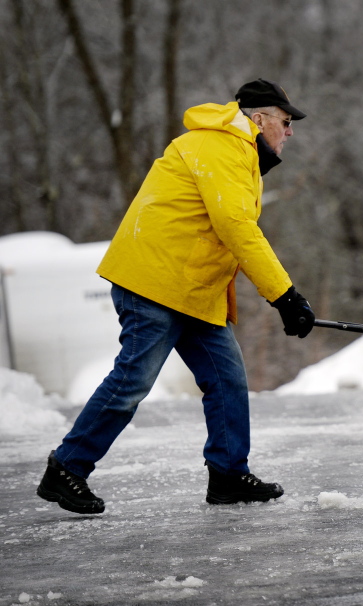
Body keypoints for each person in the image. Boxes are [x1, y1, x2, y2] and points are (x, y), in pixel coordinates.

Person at [35, 78, 316, 515]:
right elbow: (236, 228)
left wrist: (283, 298)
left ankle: (227, 474)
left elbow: (221, 231)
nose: (290, 131)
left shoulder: (235, 149)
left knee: (226, 379)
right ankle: (66, 468)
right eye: (285, 121)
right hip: (154, 281)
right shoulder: (223, 147)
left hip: (190, 289)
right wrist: (284, 296)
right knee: (133, 380)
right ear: (259, 120)